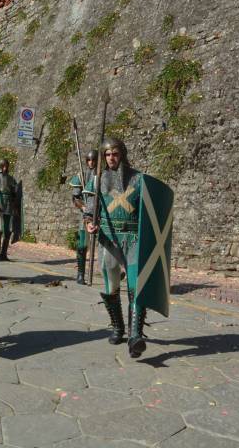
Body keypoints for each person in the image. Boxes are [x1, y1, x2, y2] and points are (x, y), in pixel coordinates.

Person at [84, 138, 147, 358]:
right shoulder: (97, 180)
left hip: (133, 238)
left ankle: (135, 335)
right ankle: (118, 326)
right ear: (103, 157)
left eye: (115, 153)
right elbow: (89, 210)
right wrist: (90, 223)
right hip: (108, 237)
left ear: (123, 154)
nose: (112, 158)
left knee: (135, 286)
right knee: (111, 287)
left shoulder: (138, 179)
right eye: (108, 154)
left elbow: (149, 212)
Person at [69, 150, 98, 284]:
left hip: (101, 213)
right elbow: (75, 198)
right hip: (86, 214)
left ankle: (112, 271)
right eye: (89, 160)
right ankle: (80, 273)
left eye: (94, 160)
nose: (91, 163)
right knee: (82, 245)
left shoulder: (103, 175)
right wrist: (83, 207)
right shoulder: (81, 176)